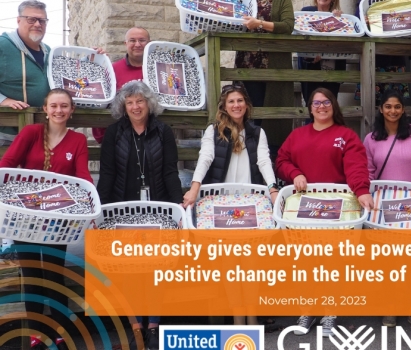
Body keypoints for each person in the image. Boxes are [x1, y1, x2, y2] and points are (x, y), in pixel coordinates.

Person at [276, 87, 373, 336]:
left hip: (337, 213)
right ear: (310, 108)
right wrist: (295, 173)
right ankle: (308, 310)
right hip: (304, 212)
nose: (321, 106)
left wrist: (361, 190)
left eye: (326, 102)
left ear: (334, 106)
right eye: (316, 103)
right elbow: (282, 160)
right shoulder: (297, 136)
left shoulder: (346, 136)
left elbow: (356, 166)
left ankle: (329, 312)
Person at [0, 88, 91, 350]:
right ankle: (36, 335)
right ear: (45, 109)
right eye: (54, 106)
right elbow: (7, 164)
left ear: (71, 110)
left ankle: (60, 334)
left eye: (64, 106)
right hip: (24, 220)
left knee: (53, 275)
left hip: (57, 222)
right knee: (30, 276)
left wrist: (88, 203)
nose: (59, 111)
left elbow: (82, 176)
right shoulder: (31, 133)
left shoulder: (77, 141)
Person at [97, 81, 182, 350]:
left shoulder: (163, 131)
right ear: (124, 106)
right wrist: (101, 209)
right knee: (129, 271)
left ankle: (154, 328)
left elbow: (170, 171)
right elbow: (108, 172)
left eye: (140, 101)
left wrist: (177, 206)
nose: (135, 106)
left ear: (149, 104)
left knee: (155, 269)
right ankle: (136, 328)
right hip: (123, 209)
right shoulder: (114, 133)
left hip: (157, 209)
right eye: (130, 102)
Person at [363, 89, 411, 329]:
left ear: (403, 109)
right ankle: (389, 307)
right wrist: (365, 195)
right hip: (384, 207)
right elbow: (368, 172)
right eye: (388, 106)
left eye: (397, 106)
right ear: (381, 109)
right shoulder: (371, 139)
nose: (393, 111)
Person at [183, 84, 279, 209]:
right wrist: (194, 189)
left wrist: (273, 190)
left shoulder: (258, 133)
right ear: (224, 106)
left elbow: (264, 162)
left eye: (240, 100)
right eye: (231, 101)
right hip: (218, 199)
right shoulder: (213, 131)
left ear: (246, 104)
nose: (236, 105)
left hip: (249, 198)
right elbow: (205, 158)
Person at [0, 0, 51, 145]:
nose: (37, 24)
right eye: (31, 19)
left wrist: (92, 57)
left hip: (40, 133)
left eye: (42, 20)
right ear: (18, 20)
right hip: (6, 134)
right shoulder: (2, 46)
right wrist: (3, 100)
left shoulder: (49, 51)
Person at [92, 27, 151, 144]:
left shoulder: (157, 69)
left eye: (142, 40)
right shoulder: (112, 70)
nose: (137, 44)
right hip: (118, 139)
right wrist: (96, 63)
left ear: (149, 43)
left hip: (151, 137)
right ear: (126, 43)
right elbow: (96, 97)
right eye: (132, 40)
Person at [236, 0, 294, 109]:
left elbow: (288, 26)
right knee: (247, 108)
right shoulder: (244, 1)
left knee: (269, 109)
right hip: (247, 63)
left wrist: (259, 23)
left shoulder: (282, 1)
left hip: (273, 64)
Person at [298, 0, 346, 106]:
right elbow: (301, 40)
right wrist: (309, 57)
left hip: (331, 71)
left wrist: (340, 21)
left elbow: (343, 44)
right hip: (311, 69)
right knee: (311, 107)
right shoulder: (306, 12)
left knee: (329, 107)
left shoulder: (340, 16)